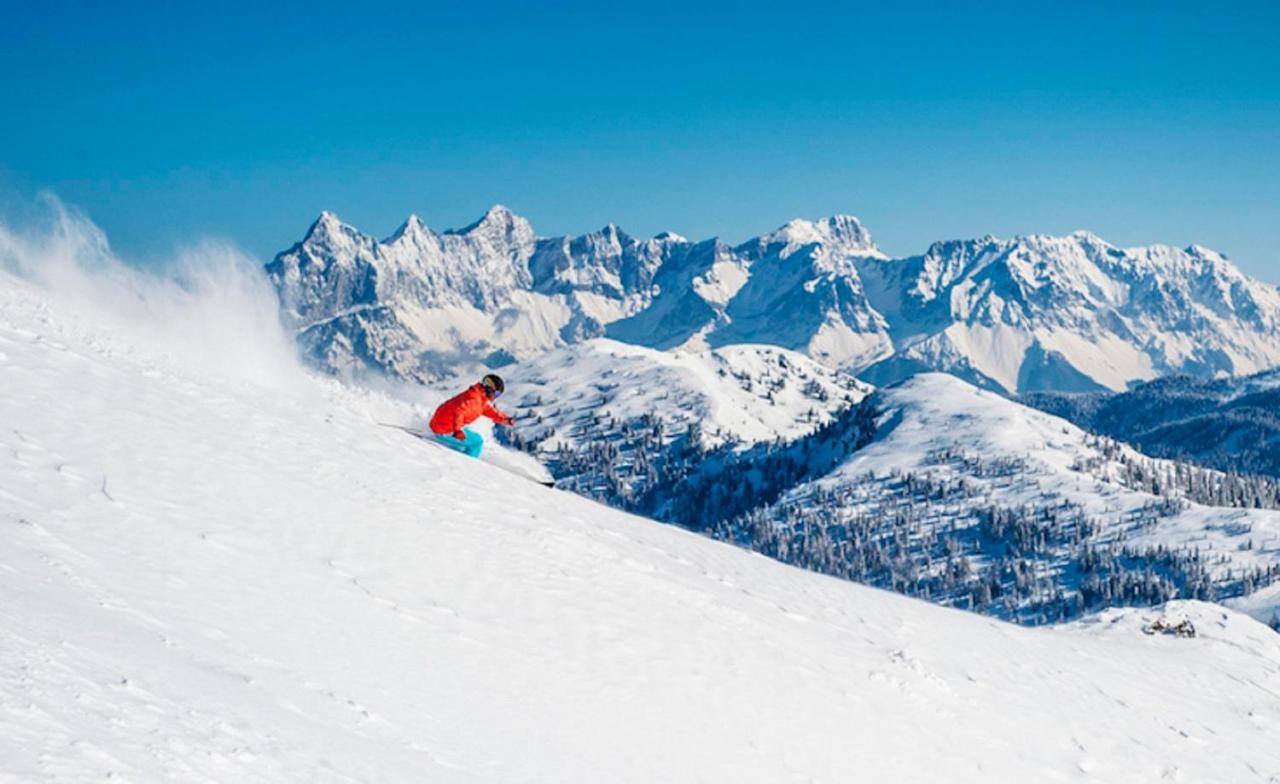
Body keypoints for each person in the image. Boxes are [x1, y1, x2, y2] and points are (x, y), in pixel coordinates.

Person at [428, 373, 515, 458]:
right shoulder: (474, 399)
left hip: (443, 424)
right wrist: (458, 430)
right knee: (477, 442)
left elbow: (490, 411)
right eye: (497, 393)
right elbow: (459, 412)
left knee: (475, 436)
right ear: (490, 389)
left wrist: (505, 419)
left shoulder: (479, 397)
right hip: (444, 430)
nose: (496, 396)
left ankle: (460, 451)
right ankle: (468, 463)